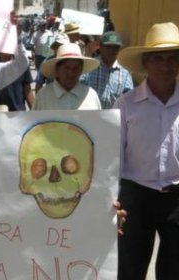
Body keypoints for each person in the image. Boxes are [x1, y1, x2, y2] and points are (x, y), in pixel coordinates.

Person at [114, 22, 179, 280]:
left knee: (174, 269)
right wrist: (113, 201)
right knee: (130, 268)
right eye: (159, 58)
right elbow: (114, 157)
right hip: (136, 196)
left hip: (177, 198)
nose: (166, 65)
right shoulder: (127, 105)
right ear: (146, 63)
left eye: (173, 58)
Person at [33, 43, 101, 110]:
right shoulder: (43, 96)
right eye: (66, 68)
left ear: (81, 70)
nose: (71, 73)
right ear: (57, 70)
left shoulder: (91, 96)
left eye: (76, 68)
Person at [81, 31, 134, 109]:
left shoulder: (125, 73)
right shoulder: (90, 66)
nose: (112, 50)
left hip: (113, 117)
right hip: (90, 116)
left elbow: (129, 98)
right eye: (109, 47)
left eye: (116, 47)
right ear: (100, 47)